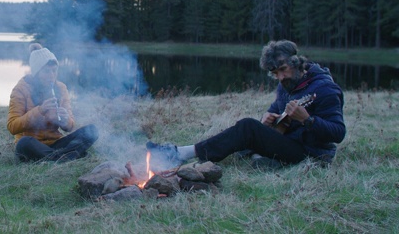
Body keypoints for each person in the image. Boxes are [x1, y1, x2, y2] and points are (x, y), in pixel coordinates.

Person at [147, 40, 346, 170]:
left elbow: (338, 133)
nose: (281, 77)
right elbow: (277, 111)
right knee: (246, 134)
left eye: (284, 70)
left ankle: (181, 154)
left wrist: (308, 120)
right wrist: (267, 120)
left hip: (313, 153)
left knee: (247, 128)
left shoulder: (324, 89)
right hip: (290, 141)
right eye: (275, 73)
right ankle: (261, 159)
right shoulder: (285, 86)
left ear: (297, 63)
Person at [8, 43, 99, 162]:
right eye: (46, 72)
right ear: (36, 73)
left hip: (56, 143)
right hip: (33, 144)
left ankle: (58, 157)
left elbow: (70, 126)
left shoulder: (61, 88)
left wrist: (65, 120)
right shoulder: (21, 89)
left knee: (92, 131)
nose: (51, 76)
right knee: (23, 144)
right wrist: (39, 111)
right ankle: (70, 155)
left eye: (54, 71)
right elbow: (12, 126)